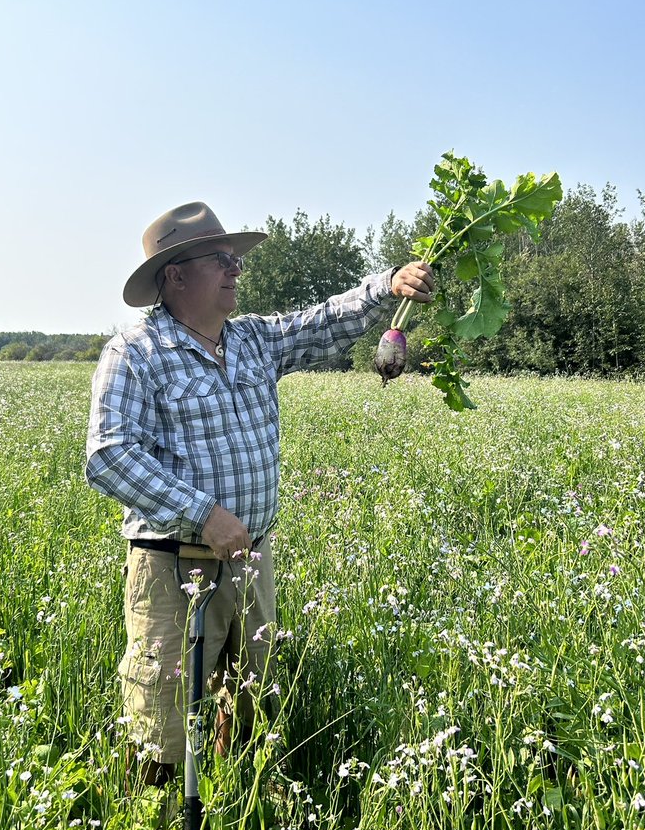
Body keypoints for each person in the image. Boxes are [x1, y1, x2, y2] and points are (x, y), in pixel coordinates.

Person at [86, 201, 434, 785]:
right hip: (174, 567)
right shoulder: (136, 353)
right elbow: (108, 456)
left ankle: (240, 814)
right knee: (163, 724)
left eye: (235, 258)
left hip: (251, 559)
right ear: (175, 275)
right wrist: (202, 515)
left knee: (250, 701)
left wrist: (386, 287)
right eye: (219, 259)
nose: (235, 269)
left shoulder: (251, 340)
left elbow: (321, 323)